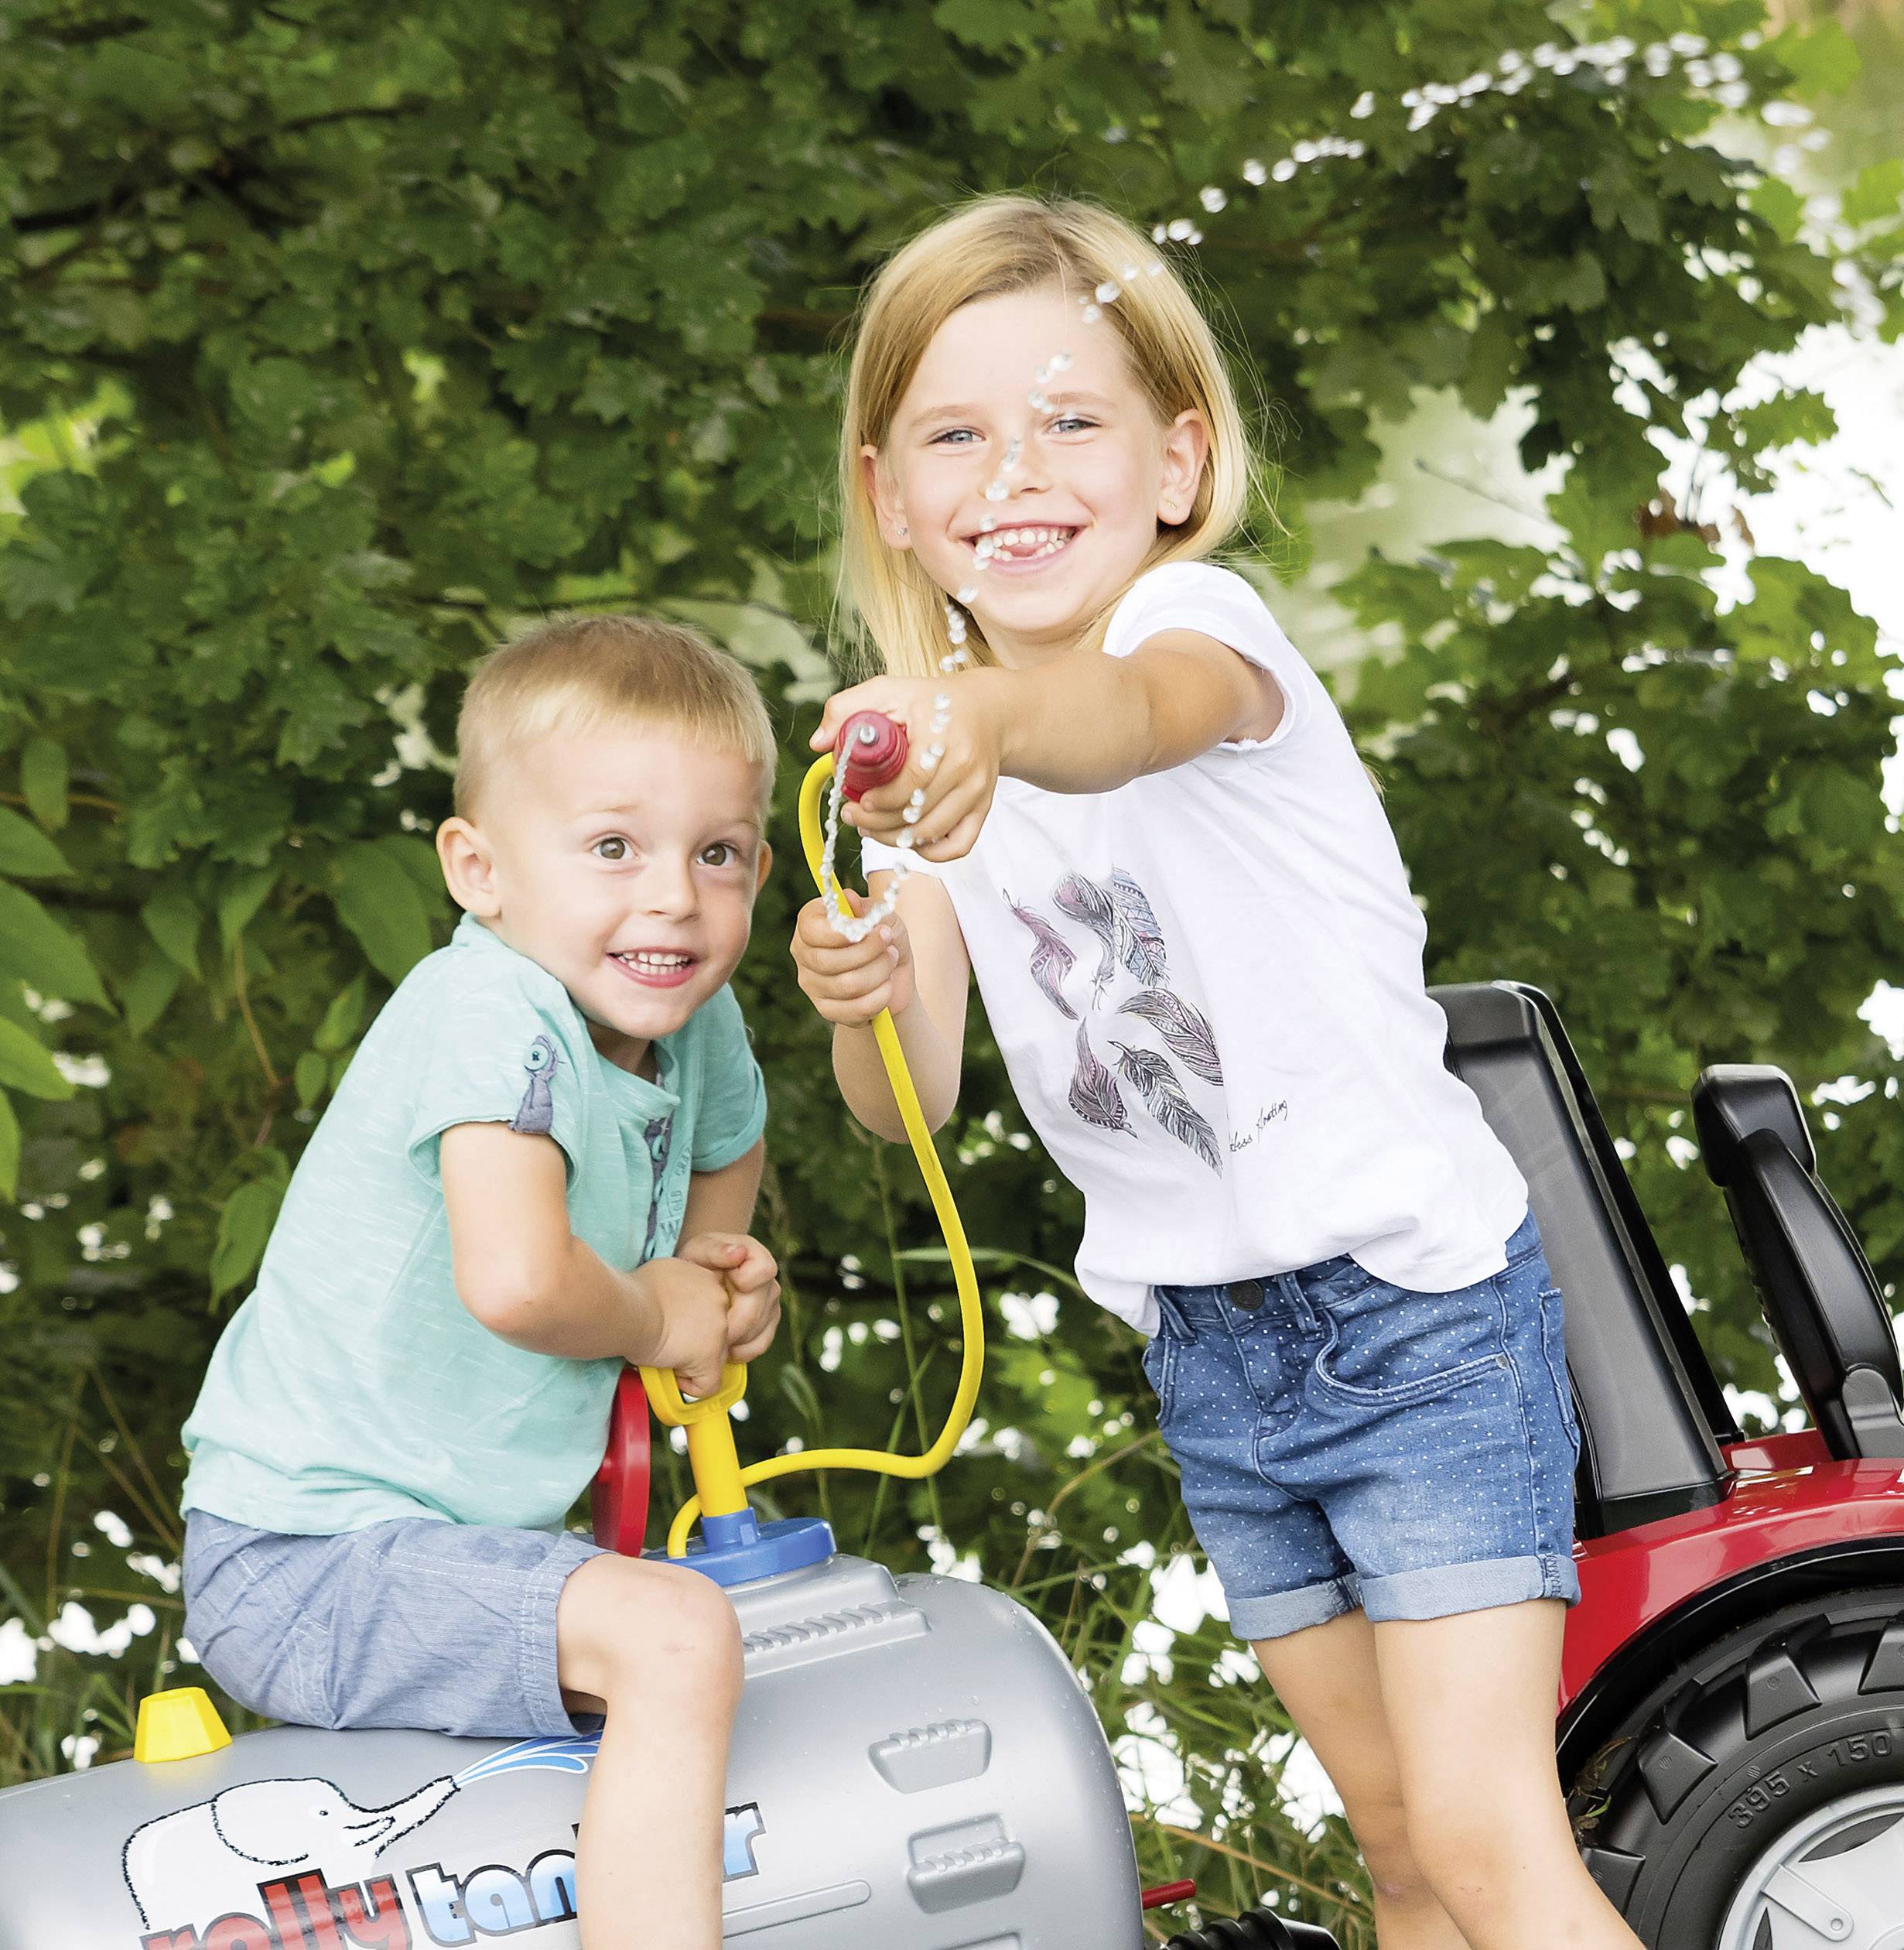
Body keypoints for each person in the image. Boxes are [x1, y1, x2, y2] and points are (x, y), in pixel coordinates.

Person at [791, 195, 1639, 1950]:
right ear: (889, 492)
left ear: (1178, 459)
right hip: (1218, 1363)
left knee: (1491, 1850)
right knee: (1400, 1857)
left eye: (1070, 422)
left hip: (1418, 1323)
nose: (1014, 473)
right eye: (957, 433)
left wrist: (994, 725)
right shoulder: (932, 772)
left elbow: (1125, 724)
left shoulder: (1201, 631)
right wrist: (856, 986)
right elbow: (909, 1100)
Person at [179, 615, 782, 1950]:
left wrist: (715, 1287)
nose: (675, 896)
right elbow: (517, 1282)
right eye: (614, 847)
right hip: (302, 1557)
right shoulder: (488, 1008)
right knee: (678, 1639)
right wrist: (656, 1310)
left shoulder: (692, 1018)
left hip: (441, 1546)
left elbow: (722, 1176)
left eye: (719, 853)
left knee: (708, 1647)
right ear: (481, 870)